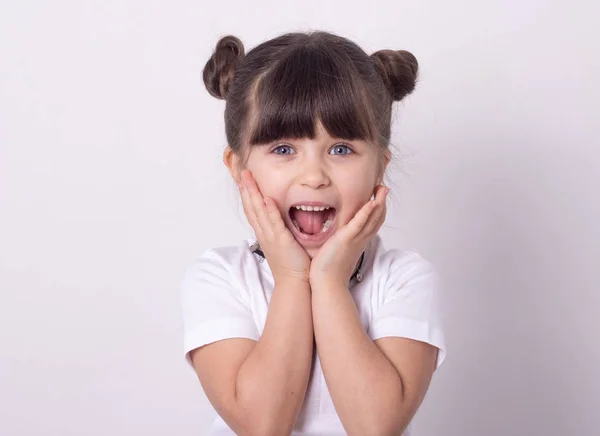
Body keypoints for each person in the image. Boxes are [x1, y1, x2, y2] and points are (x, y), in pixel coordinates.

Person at [180, 30, 447, 436]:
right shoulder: (219, 278)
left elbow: (376, 427)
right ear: (238, 168)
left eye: (341, 149)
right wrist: (290, 279)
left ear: (380, 166)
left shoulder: (403, 279)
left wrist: (328, 282)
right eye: (283, 149)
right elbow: (261, 426)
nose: (314, 176)